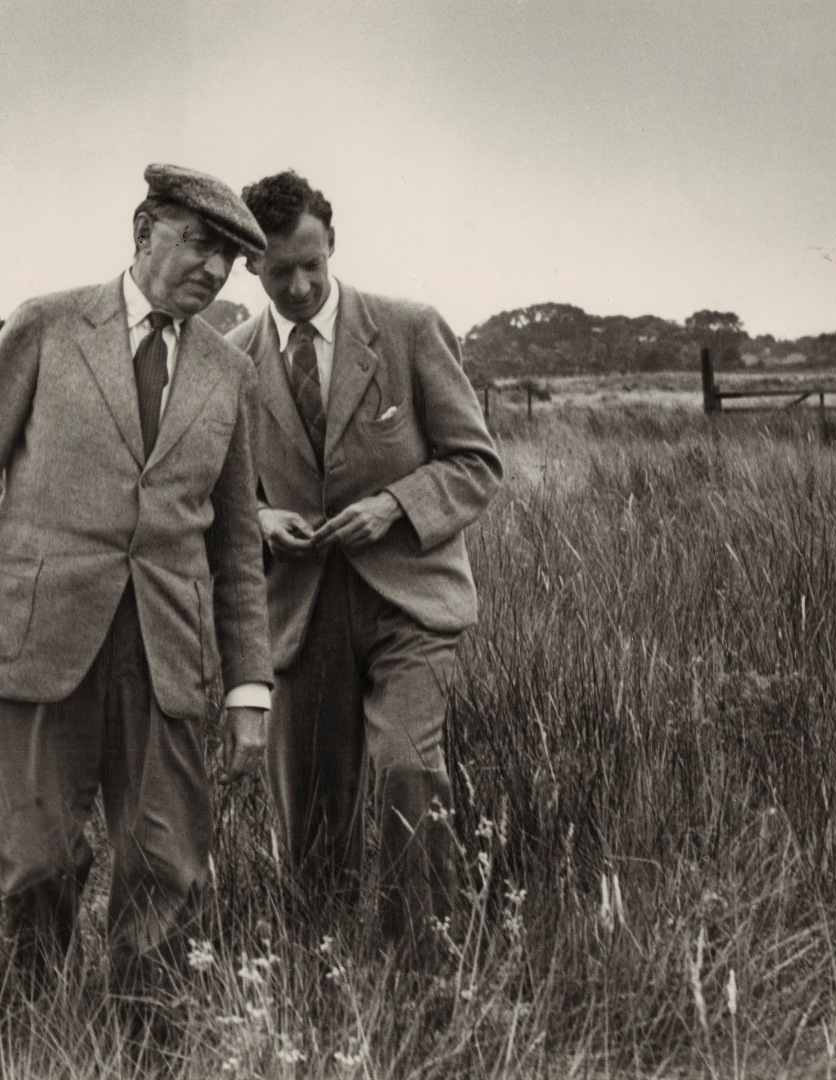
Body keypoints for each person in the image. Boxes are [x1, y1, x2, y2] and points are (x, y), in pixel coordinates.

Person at [0, 164, 273, 996]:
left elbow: (236, 546)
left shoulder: (229, 373)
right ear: (144, 229)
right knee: (37, 859)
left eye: (228, 257)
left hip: (165, 655)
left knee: (164, 863)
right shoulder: (47, 327)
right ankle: (31, 1027)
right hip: (32, 640)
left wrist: (250, 687)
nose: (215, 270)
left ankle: (144, 1039)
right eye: (199, 243)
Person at [228, 170, 502, 949]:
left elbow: (475, 464)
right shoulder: (229, 362)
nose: (301, 283)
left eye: (313, 262)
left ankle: (428, 961)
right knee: (310, 811)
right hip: (298, 615)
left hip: (409, 604)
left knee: (407, 768)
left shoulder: (410, 330)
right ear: (251, 265)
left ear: (332, 244)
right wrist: (260, 520)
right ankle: (324, 971)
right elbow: (208, 499)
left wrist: (394, 506)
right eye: (279, 270)